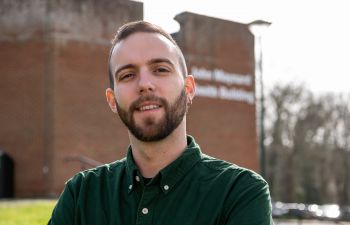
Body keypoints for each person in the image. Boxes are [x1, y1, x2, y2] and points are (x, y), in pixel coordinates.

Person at [48, 21, 273, 225]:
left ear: (189, 89)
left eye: (160, 70)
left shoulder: (240, 192)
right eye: (127, 75)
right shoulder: (81, 195)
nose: (145, 84)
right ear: (112, 100)